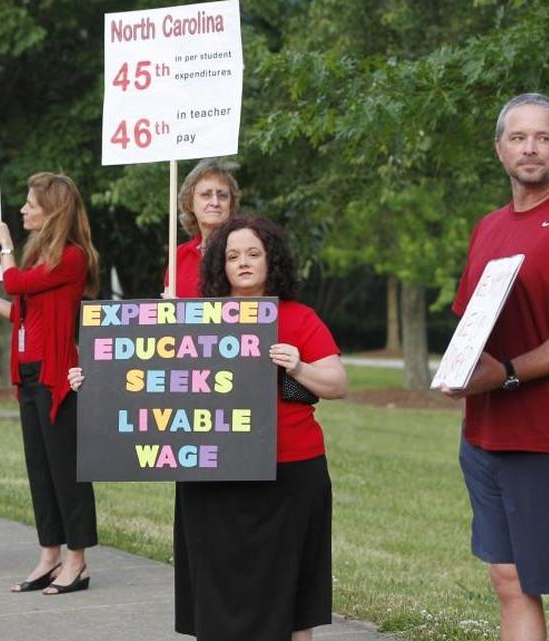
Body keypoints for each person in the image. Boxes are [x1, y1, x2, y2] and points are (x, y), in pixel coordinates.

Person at [70, 216, 346, 640]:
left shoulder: (300, 317)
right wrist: (93, 381)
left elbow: (337, 383)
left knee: (293, 604)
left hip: (289, 474)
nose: (244, 262)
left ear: (273, 260)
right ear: (220, 265)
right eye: (233, 255)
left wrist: (299, 365)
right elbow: (142, 376)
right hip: (211, 472)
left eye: (254, 253)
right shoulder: (193, 319)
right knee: (216, 599)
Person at [441, 94, 549, 641]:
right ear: (499, 150)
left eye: (543, 137)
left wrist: (509, 371)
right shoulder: (488, 227)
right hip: (488, 433)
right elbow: (471, 320)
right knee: (509, 579)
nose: (530, 148)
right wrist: (459, 366)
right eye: (518, 138)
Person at [0, 172, 99, 595]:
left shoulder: (70, 258)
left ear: (51, 211)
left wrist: (4, 244)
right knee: (40, 471)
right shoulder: (40, 260)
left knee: (66, 471)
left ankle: (77, 561)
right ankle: (49, 555)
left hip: (58, 378)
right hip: (30, 375)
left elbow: (14, 282)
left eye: (30, 205)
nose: (22, 211)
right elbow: (18, 312)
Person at [164, 158, 240, 297]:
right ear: (190, 204)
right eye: (206, 195)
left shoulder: (243, 249)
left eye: (222, 196)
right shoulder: (179, 255)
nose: (215, 202)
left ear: (231, 204)